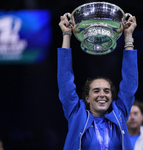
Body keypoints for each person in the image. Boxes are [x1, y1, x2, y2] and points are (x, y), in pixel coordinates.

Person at [57, 12, 138, 150]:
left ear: (112, 97)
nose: (102, 95)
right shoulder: (77, 114)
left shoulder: (119, 113)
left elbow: (130, 84)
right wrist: (66, 35)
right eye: (96, 91)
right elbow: (65, 81)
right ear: (87, 98)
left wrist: (128, 36)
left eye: (107, 91)